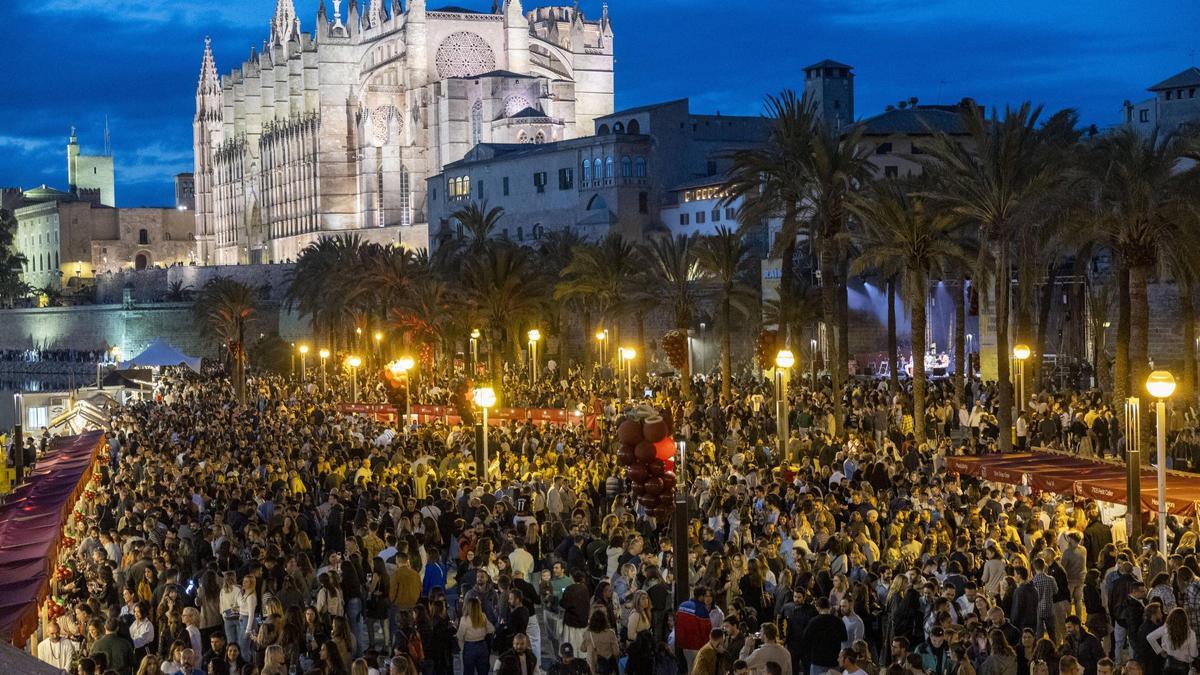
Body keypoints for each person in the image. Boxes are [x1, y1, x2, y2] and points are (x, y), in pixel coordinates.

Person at [1147, 607, 1198, 675]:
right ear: (1185, 619)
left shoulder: (1166, 628)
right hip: (1183, 667)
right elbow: (1194, 654)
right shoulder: (1191, 633)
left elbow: (1150, 637)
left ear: (1170, 617)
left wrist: (1160, 651)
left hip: (1169, 665)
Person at [803, 598, 847, 675]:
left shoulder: (813, 622)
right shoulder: (838, 621)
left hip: (817, 661)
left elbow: (805, 639)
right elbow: (844, 638)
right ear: (830, 607)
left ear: (817, 607)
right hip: (834, 662)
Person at [456, 597, 494, 675]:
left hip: (469, 647)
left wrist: (462, 648)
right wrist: (483, 632)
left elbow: (460, 636)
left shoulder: (464, 619)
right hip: (482, 646)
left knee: (468, 671)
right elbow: (491, 629)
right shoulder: (483, 616)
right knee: (483, 671)